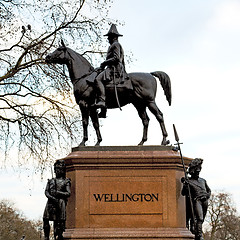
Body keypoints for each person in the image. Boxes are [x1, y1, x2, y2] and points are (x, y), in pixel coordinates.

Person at [94, 24, 127, 109]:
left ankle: (102, 101)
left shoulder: (115, 45)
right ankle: (103, 110)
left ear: (113, 37)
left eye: (109, 37)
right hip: (111, 67)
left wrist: (104, 63)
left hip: (114, 68)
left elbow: (116, 58)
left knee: (98, 79)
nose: (108, 39)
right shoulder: (112, 45)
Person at [181, 158, 211, 240]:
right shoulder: (189, 181)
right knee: (199, 218)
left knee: (201, 220)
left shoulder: (203, 181)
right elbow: (183, 193)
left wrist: (207, 195)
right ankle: (199, 235)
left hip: (205, 201)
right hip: (197, 201)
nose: (198, 173)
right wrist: (186, 186)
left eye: (199, 171)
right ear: (193, 172)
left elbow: (209, 190)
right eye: (197, 171)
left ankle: (197, 232)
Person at [43, 160, 71, 240]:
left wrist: (57, 193)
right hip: (50, 202)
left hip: (60, 202)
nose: (57, 171)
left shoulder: (66, 181)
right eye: (56, 169)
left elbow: (68, 193)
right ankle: (46, 236)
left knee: (59, 221)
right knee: (45, 219)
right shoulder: (51, 181)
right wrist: (51, 197)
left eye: (60, 169)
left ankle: (59, 235)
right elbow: (46, 191)